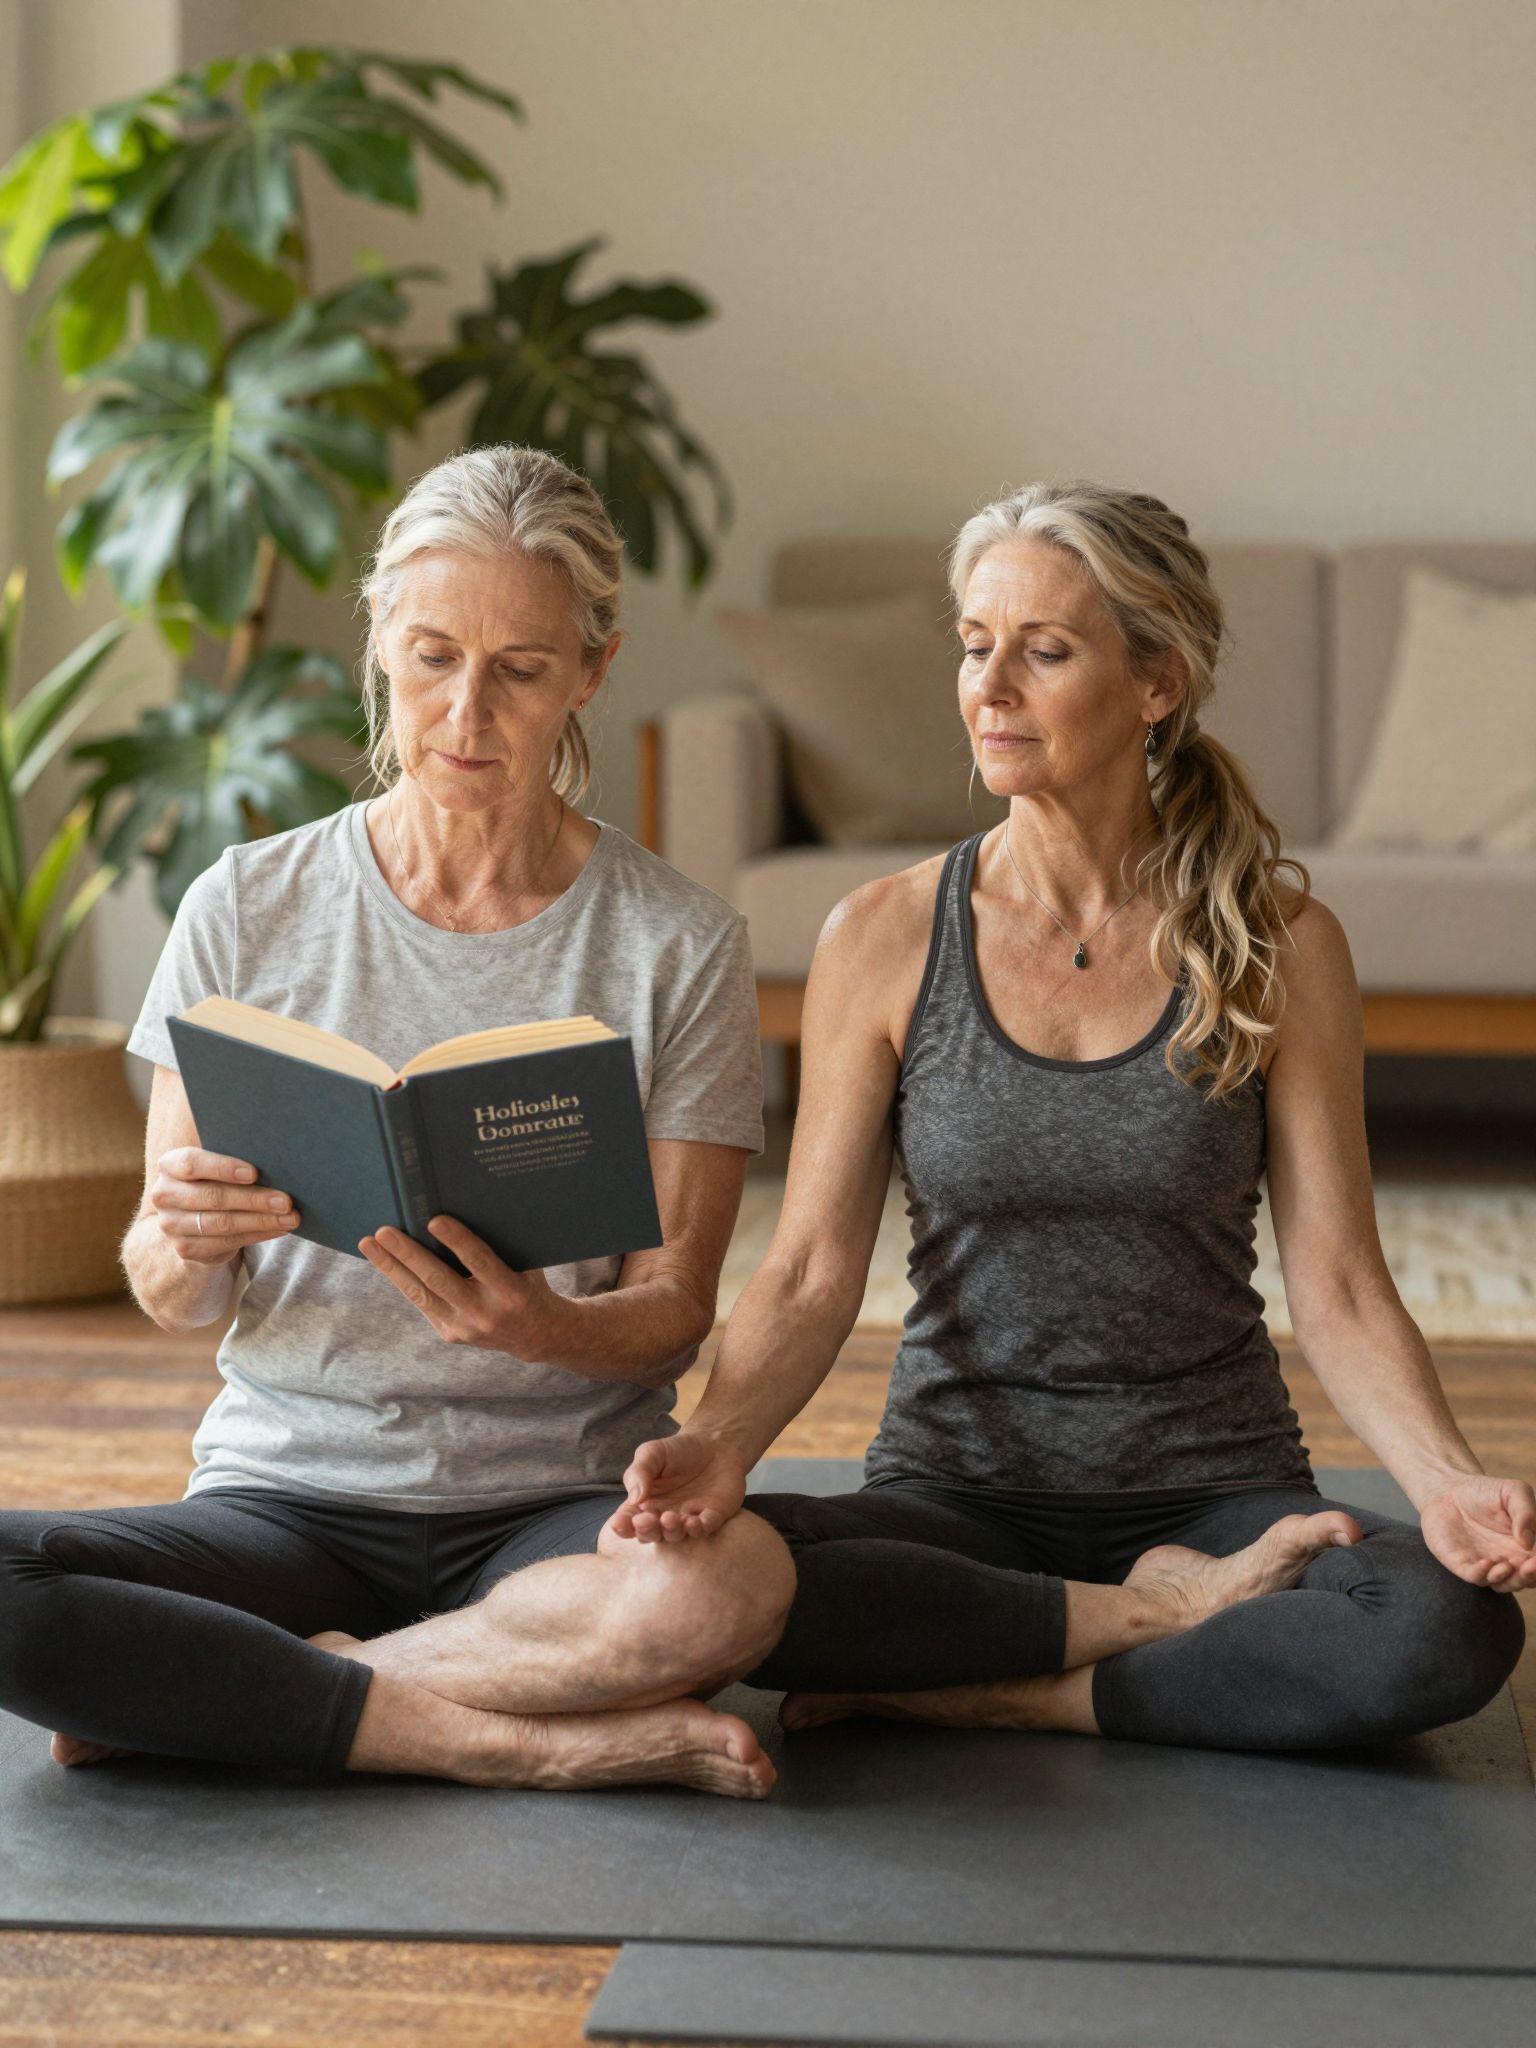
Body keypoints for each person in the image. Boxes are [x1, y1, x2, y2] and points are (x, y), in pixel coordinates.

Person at [610, 480, 1532, 1754]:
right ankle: (1159, 1627)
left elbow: (1342, 1282)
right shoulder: (882, 937)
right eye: (976, 644)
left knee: (1447, 1629)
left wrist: (1445, 1487)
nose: (990, 686)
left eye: (1044, 651)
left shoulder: (1282, 943)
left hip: (1212, 1489)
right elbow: (813, 1266)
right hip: (959, 1493)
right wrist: (718, 1442)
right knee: (710, 1583)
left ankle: (1019, 1685)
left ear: (1156, 681)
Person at [0, 445, 796, 1798]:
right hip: (283, 1495)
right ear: (377, 638)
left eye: (521, 670)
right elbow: (168, 1292)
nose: (465, 710)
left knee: (724, 1593)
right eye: (431, 656)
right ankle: (507, 1740)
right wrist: (185, 1243)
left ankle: (249, 1696)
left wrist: (536, 1326)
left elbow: (675, 1307)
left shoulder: (678, 946)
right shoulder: (243, 908)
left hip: (551, 1508)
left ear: (592, 672)